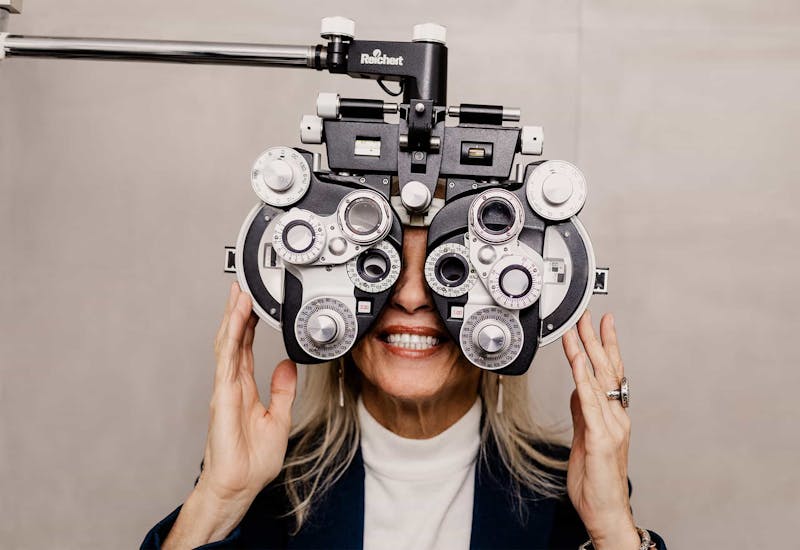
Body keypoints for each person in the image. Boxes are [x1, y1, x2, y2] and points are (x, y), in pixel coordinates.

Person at [141, 228, 666, 550]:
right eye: (378, 269)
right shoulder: (263, 487)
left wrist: (613, 532)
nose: (412, 297)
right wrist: (219, 501)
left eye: (450, 271)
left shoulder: (566, 494)